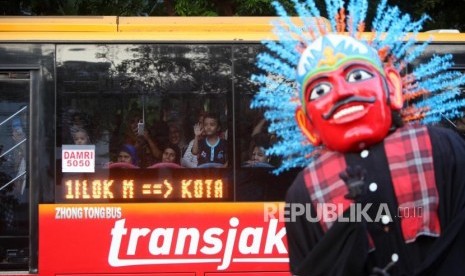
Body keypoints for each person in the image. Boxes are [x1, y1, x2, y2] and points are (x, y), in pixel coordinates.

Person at [252, 1, 465, 275]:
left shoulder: (440, 149)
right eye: (320, 90)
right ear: (307, 125)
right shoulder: (305, 192)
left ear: (392, 87)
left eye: (357, 75)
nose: (341, 93)